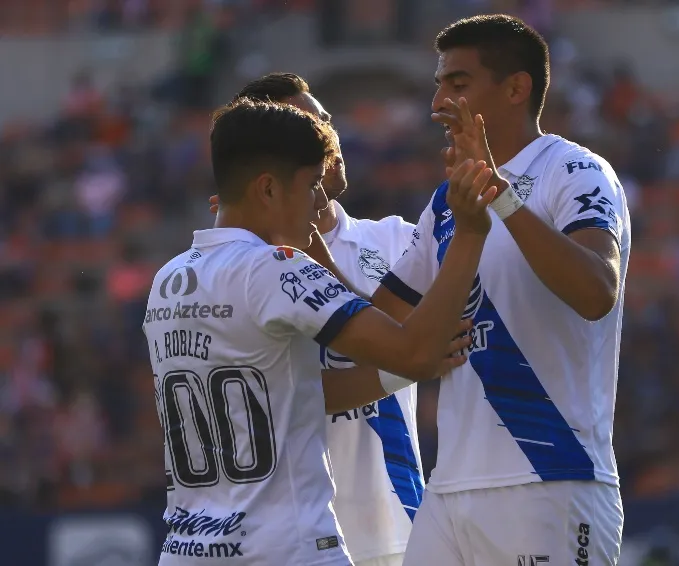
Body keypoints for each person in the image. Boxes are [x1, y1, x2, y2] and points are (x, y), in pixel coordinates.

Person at [145, 97, 498, 565]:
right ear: (267, 189)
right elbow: (412, 350)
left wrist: (407, 368)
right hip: (285, 548)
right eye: (312, 185)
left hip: (189, 549)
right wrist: (471, 231)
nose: (319, 204)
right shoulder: (275, 268)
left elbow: (299, 392)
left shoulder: (167, 280)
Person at [369, 15, 632, 565]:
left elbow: (596, 290)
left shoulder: (575, 169)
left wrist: (502, 197)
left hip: (550, 479)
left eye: (457, 84)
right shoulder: (446, 201)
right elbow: (378, 322)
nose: (439, 102)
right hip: (449, 489)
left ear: (517, 88)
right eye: (438, 84)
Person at [208, 73, 425, 566]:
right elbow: (265, 395)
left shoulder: (397, 240)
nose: (329, 136)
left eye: (326, 119)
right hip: (287, 539)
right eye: (310, 125)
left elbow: (428, 345)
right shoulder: (238, 267)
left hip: (399, 526)